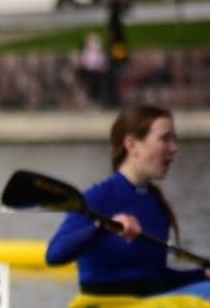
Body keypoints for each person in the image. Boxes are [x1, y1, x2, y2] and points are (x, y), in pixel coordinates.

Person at [46, 104, 209, 295]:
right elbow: (54, 255)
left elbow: (155, 279)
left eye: (174, 139)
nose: (174, 148)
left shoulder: (156, 204)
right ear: (131, 145)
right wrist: (101, 227)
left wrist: (201, 275)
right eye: (165, 139)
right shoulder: (97, 198)